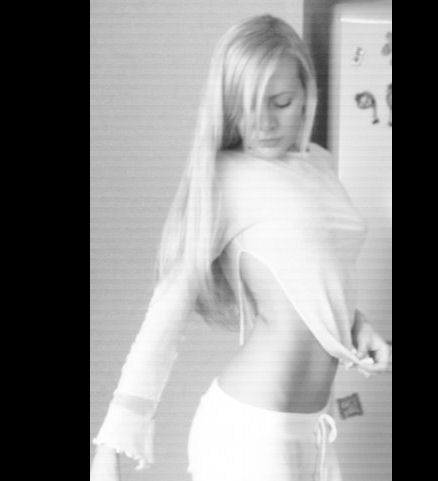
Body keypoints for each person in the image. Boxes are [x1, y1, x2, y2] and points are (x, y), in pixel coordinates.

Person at [90, 13, 390, 481]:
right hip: (250, 432)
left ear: (307, 93)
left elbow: (310, 272)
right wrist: (111, 443)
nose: (264, 123)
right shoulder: (225, 177)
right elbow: (167, 312)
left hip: (312, 428)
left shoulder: (320, 164)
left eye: (281, 102)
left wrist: (357, 326)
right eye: (246, 105)